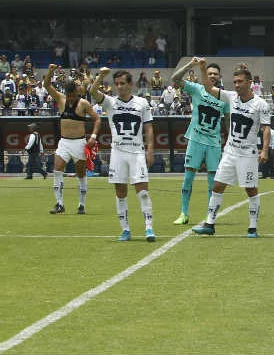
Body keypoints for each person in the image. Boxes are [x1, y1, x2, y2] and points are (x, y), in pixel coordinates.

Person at [192, 61, 271, 238]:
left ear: (250, 82)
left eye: (240, 81)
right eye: (234, 82)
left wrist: (264, 150)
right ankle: (209, 224)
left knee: (250, 189)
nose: (236, 85)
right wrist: (203, 68)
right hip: (230, 151)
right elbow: (207, 87)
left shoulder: (261, 104)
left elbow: (266, 128)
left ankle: (252, 227)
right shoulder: (230, 97)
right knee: (217, 186)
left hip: (248, 154)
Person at [90, 68, 156, 242]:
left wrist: (150, 150)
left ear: (130, 84)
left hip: (137, 152)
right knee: (120, 192)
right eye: (117, 84)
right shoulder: (110, 102)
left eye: (122, 83)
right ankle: (125, 230)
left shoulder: (142, 103)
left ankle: (149, 228)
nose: (119, 87)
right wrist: (101, 76)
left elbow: (149, 128)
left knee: (142, 191)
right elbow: (92, 92)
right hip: (118, 153)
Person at [170, 58, 228, 225]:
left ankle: (210, 216)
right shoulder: (196, 89)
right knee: (188, 178)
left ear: (220, 77)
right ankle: (184, 213)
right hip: (195, 140)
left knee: (212, 182)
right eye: (209, 73)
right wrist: (190, 65)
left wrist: (230, 140)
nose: (212, 76)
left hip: (214, 143)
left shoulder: (224, 97)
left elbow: (227, 122)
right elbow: (175, 79)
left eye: (215, 74)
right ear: (205, 75)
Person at [43, 64, 100, 214]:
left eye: (73, 94)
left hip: (79, 142)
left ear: (77, 91)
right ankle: (59, 203)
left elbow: (97, 119)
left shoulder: (84, 103)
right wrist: (50, 71)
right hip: (64, 142)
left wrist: (93, 136)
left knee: (81, 174)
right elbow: (46, 85)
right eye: (69, 95)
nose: (70, 97)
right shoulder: (61, 99)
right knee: (57, 170)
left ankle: (81, 205)